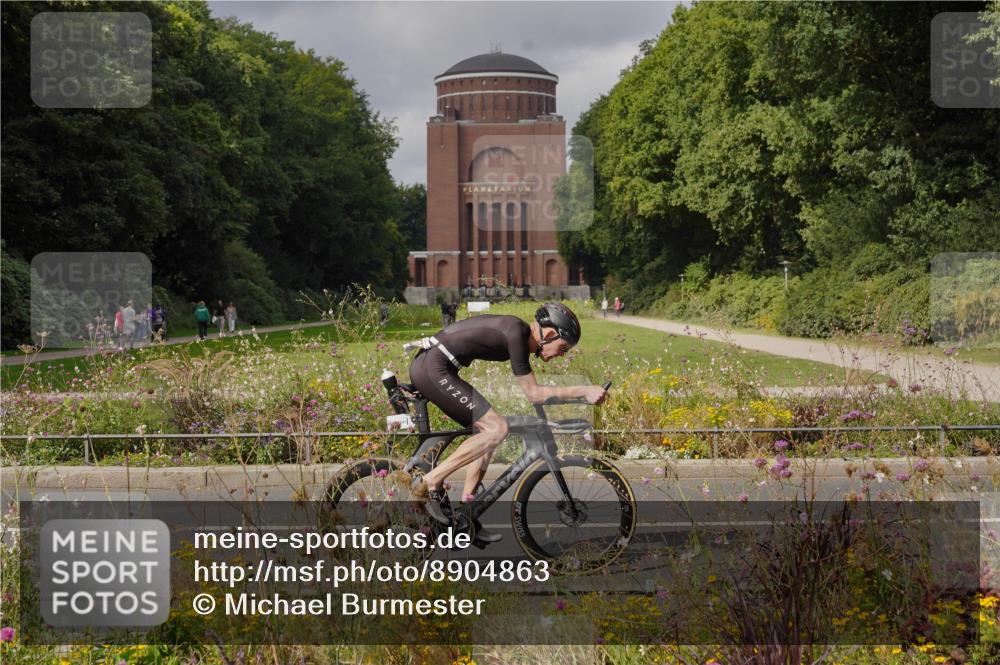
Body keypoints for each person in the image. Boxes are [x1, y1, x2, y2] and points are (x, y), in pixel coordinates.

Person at [408, 302, 606, 542]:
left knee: (485, 432)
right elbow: (534, 394)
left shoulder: (518, 334)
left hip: (437, 365)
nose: (561, 355)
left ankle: (468, 511)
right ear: (550, 334)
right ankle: (429, 482)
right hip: (434, 367)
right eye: (563, 348)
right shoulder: (516, 333)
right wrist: (584, 390)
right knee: (496, 428)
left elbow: (533, 391)